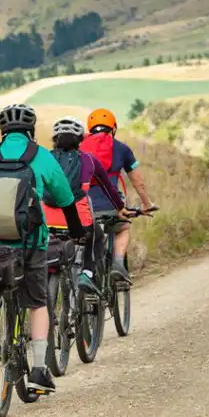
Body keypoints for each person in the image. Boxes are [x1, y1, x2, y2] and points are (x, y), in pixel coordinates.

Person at [0, 103, 86, 394]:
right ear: (31, 130)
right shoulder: (40, 155)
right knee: (37, 302)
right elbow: (64, 197)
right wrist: (77, 230)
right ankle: (38, 369)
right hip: (31, 243)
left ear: (2, 131)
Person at [41, 116, 126, 293]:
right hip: (78, 220)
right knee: (97, 235)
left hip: (46, 220)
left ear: (55, 139)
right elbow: (109, 188)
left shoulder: (44, 158)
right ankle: (87, 273)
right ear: (81, 139)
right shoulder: (88, 160)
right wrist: (121, 207)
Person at [80, 108, 158, 289]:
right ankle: (117, 263)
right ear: (113, 128)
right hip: (111, 206)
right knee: (123, 227)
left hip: (83, 207)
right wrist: (147, 204)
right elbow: (137, 181)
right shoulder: (122, 149)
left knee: (84, 236)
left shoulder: (80, 148)